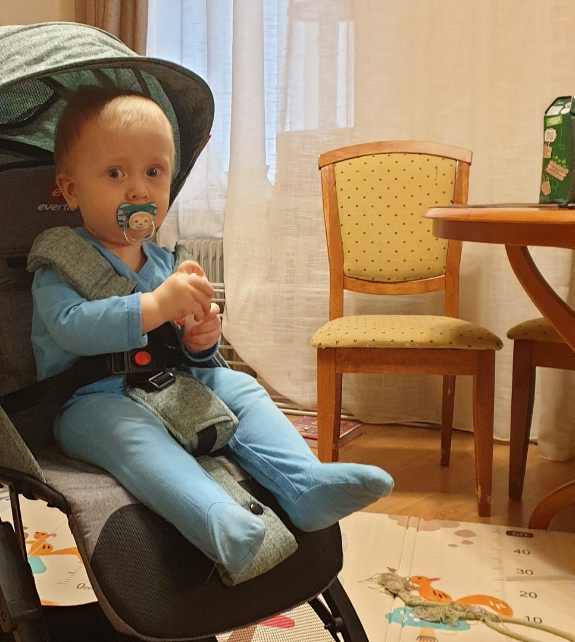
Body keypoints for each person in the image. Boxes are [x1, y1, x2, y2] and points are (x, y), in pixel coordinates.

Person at [30, 87, 392, 585]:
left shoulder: (168, 263)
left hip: (171, 384)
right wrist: (157, 306)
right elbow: (71, 328)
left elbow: (190, 353)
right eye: (115, 173)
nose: (137, 190)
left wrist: (201, 338)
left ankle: (305, 484)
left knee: (239, 386)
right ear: (70, 191)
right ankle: (216, 519)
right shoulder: (59, 262)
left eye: (153, 172)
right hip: (92, 400)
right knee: (132, 435)